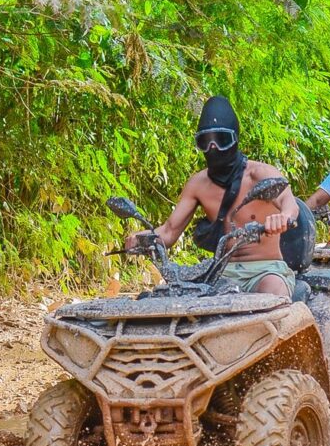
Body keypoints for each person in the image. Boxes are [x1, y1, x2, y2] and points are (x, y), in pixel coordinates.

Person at [126, 96, 299, 298]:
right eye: (205, 142)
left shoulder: (259, 174)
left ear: (235, 139)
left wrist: (282, 218)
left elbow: (290, 204)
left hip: (265, 270)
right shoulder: (198, 184)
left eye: (221, 140)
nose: (213, 148)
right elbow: (169, 231)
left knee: (274, 292)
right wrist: (141, 239)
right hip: (220, 274)